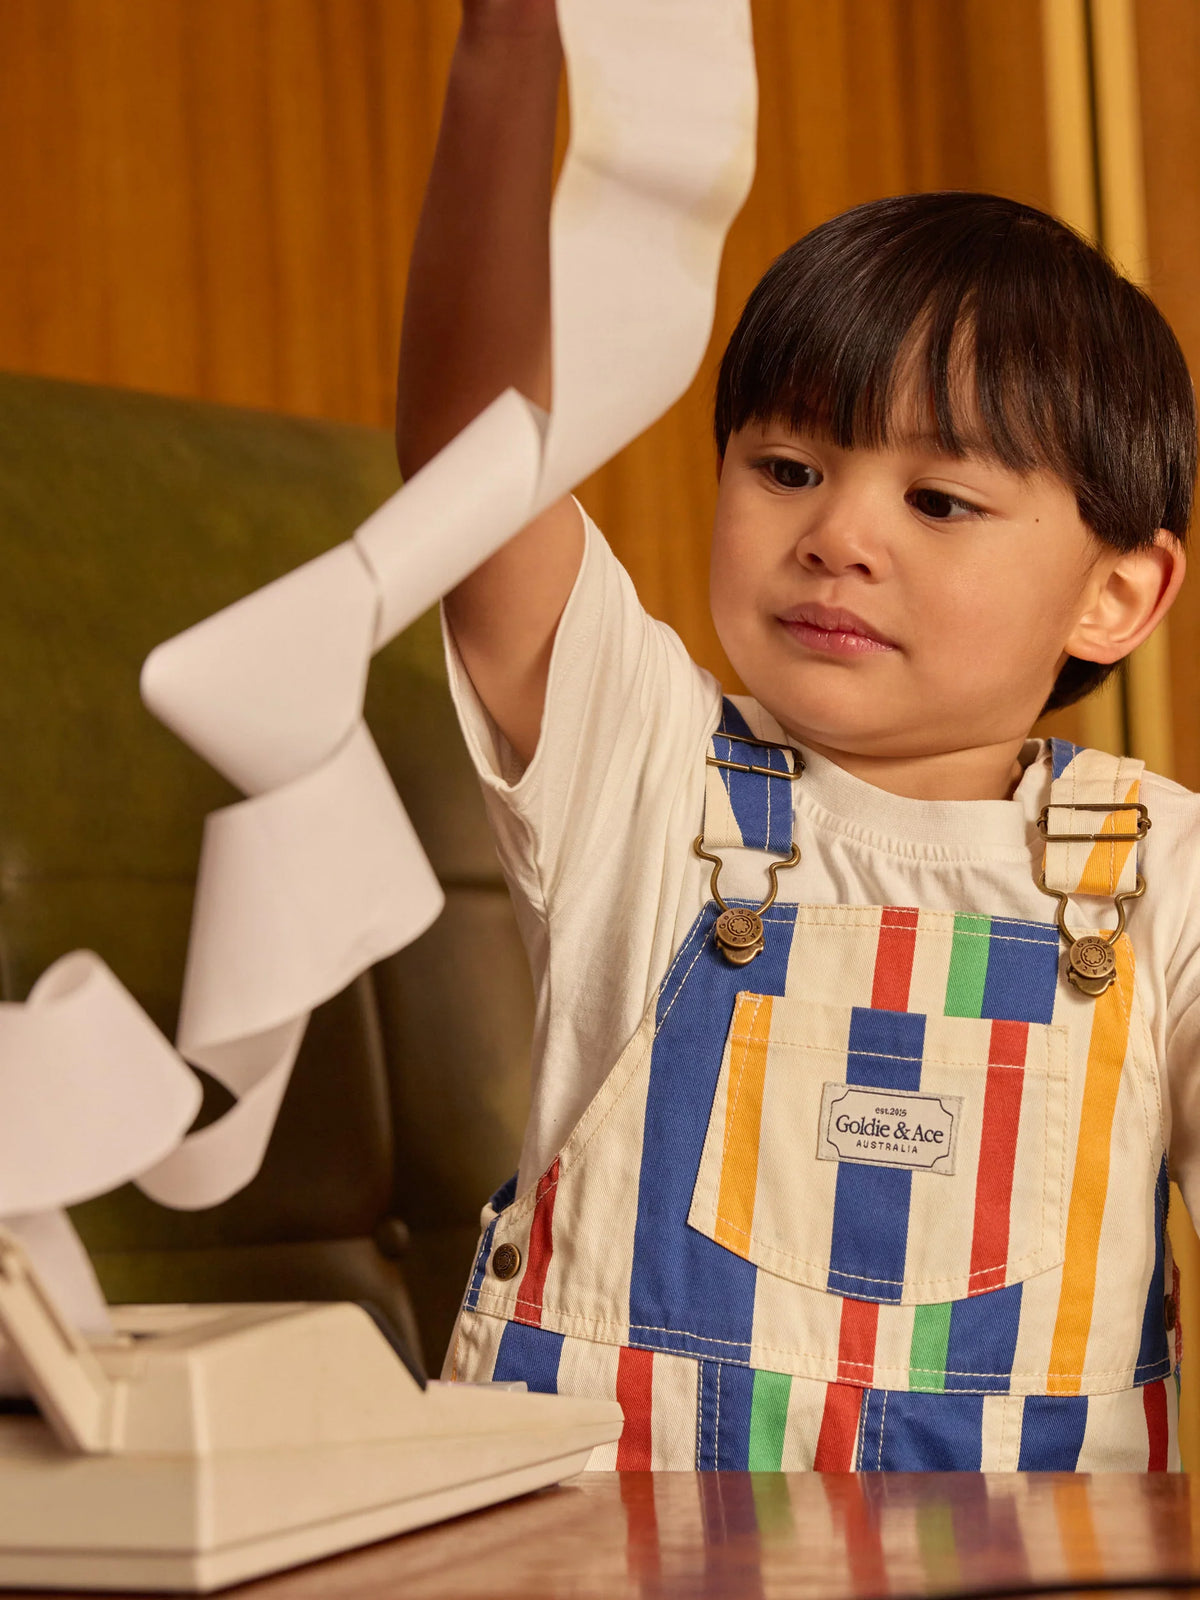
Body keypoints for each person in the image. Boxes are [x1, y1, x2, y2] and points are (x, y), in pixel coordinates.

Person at [395, 0, 1199, 1471]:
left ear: (1116, 594)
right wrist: (506, 57)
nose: (838, 535)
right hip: (587, 1564)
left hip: (1035, 1569)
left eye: (938, 500)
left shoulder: (1168, 878)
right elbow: (472, 468)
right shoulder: (645, 776)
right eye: (786, 467)